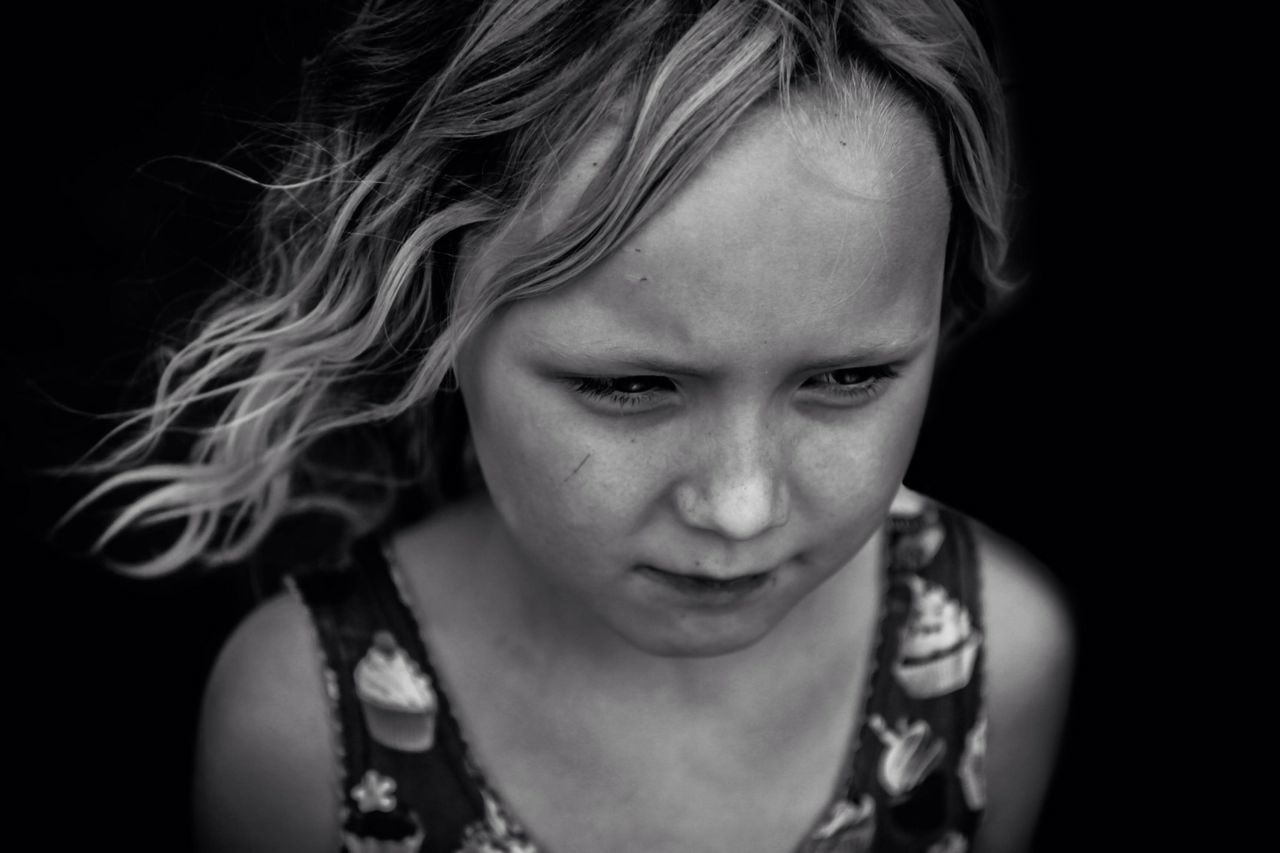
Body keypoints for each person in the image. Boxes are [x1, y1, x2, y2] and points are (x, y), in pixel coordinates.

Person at [72, 0, 1073, 850]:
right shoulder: (307, 719)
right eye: (630, 387)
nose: (737, 505)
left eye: (849, 376)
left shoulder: (988, 661)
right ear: (433, 318)